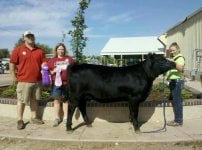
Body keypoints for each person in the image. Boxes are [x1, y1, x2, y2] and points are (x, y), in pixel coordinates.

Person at [9, 31, 47, 130]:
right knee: (21, 100)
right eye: (28, 36)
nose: (30, 38)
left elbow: (44, 62)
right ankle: (20, 120)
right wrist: (13, 76)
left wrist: (44, 65)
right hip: (23, 81)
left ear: (34, 37)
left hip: (37, 81)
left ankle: (34, 117)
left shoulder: (40, 51)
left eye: (32, 36)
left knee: (34, 100)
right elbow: (12, 63)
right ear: (24, 38)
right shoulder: (18, 50)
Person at [48, 43, 75, 127]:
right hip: (56, 84)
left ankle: (66, 118)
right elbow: (48, 71)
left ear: (65, 50)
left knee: (66, 101)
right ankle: (56, 118)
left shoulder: (69, 59)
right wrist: (52, 72)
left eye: (62, 49)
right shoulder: (52, 60)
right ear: (56, 50)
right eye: (59, 49)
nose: (61, 51)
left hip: (67, 83)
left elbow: (74, 70)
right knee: (56, 101)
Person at [166, 42, 185, 126]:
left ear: (178, 49)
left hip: (177, 81)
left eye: (173, 50)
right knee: (175, 100)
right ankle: (177, 120)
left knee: (177, 101)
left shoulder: (180, 58)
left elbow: (181, 68)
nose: (172, 52)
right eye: (170, 51)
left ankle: (178, 121)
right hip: (173, 81)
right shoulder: (174, 58)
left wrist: (171, 62)